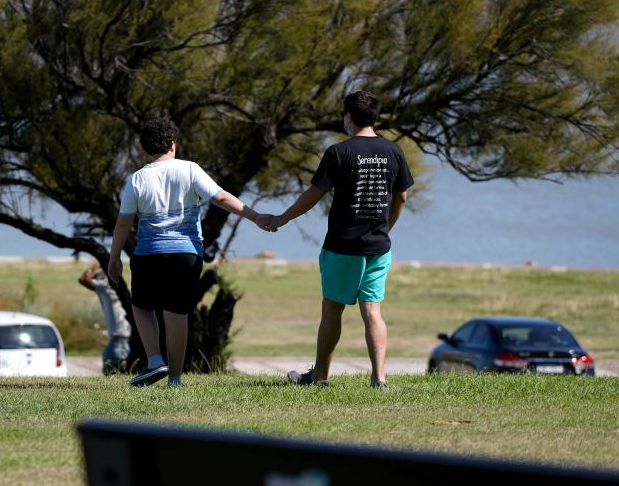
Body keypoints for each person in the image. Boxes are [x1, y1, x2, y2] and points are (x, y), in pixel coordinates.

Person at [261, 91, 413, 389]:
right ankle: (378, 379)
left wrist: (281, 219)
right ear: (375, 117)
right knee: (372, 311)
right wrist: (387, 228)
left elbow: (313, 195)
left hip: (343, 246)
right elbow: (402, 196)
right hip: (379, 247)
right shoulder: (394, 151)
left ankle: (320, 377)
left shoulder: (338, 152)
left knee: (332, 310)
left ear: (349, 117)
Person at [108, 118, 267, 387]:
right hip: (187, 254)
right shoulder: (190, 170)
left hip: (149, 253)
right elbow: (221, 197)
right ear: (173, 144)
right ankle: (175, 379)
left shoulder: (136, 179)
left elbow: (124, 222)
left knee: (142, 306)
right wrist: (255, 216)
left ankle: (155, 360)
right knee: (177, 314)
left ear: (146, 147)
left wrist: (114, 257)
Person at [78, 263, 132, 374]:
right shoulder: (114, 289)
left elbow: (83, 279)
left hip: (120, 341)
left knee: (111, 372)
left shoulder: (106, 287)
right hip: (121, 339)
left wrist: (96, 265)